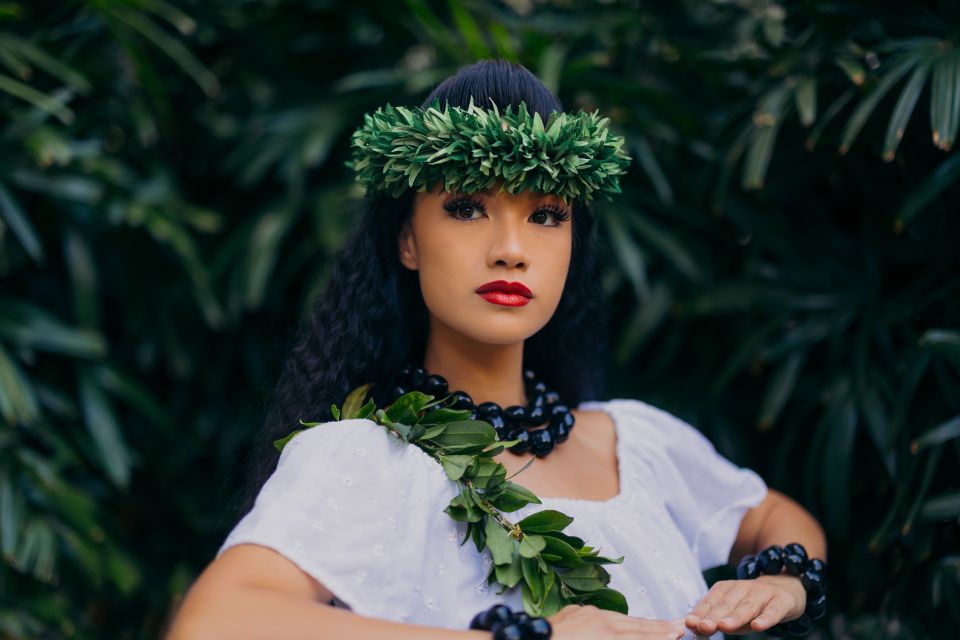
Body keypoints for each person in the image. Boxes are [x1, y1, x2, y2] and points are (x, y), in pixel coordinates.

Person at [164, 59, 827, 640]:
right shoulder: (370, 460)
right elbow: (215, 622)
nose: (511, 247)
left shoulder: (637, 442)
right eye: (466, 207)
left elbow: (771, 513)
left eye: (545, 216)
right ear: (407, 241)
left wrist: (785, 579)